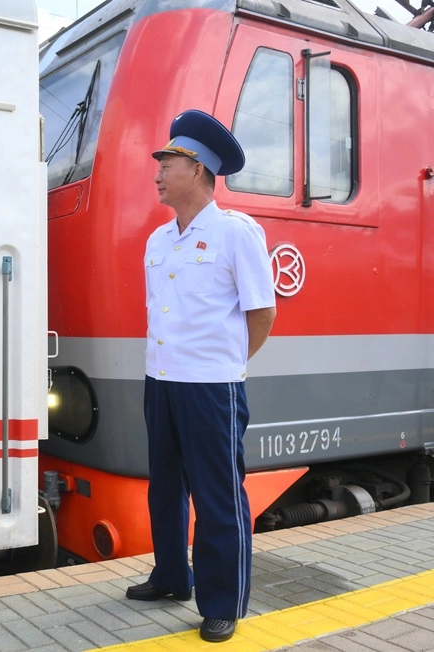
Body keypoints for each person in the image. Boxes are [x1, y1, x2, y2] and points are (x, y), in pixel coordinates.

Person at [125, 109, 277, 643]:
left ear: (198, 170)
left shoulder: (236, 233)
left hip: (212, 386)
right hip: (161, 380)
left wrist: (228, 364)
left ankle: (222, 602)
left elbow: (263, 313)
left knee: (218, 496)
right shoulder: (158, 240)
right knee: (165, 487)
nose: (157, 174)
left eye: (166, 164)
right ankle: (171, 576)